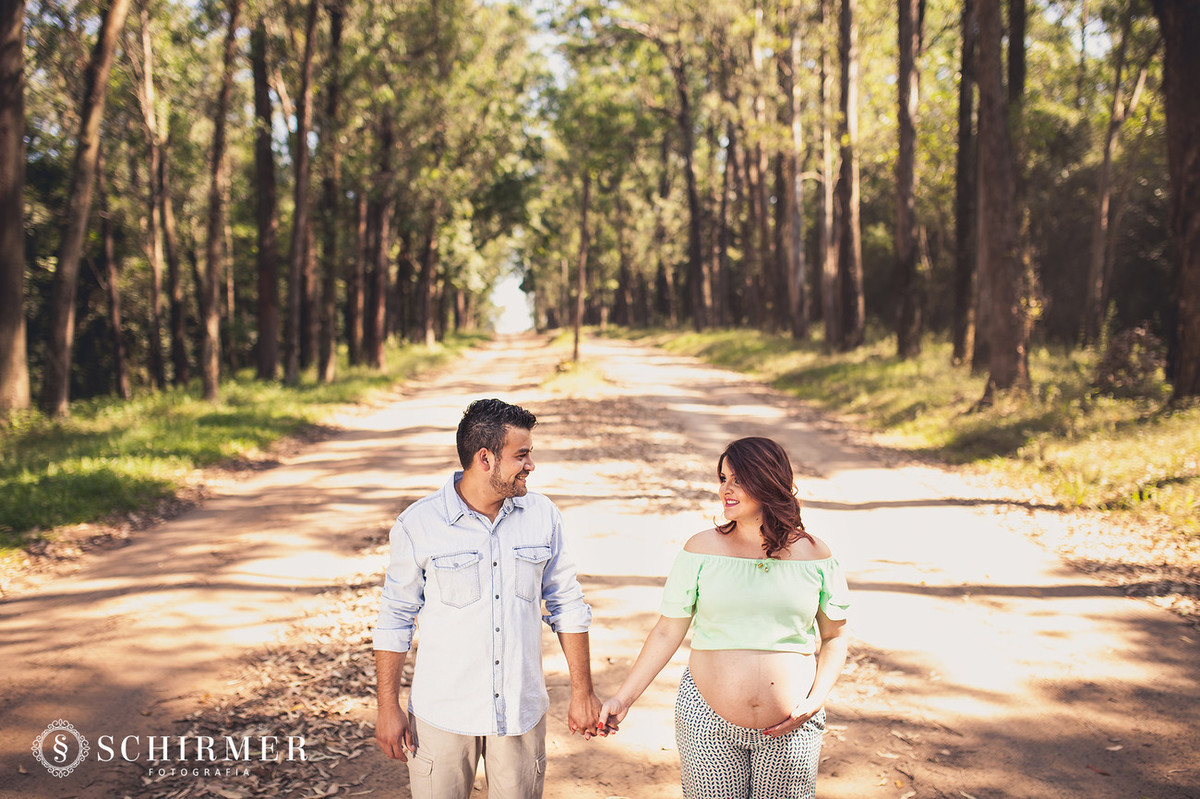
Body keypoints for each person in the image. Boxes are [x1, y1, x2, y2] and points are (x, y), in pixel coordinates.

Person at [373, 398, 605, 799]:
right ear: (485, 458)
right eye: (522, 455)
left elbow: (567, 603)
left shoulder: (542, 515)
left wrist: (583, 692)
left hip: (520, 712)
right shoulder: (418, 525)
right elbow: (395, 619)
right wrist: (387, 706)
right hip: (441, 715)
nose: (531, 464)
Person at [599, 436, 850, 799]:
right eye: (722, 478)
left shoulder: (814, 554)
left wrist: (815, 701)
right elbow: (667, 631)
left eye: (738, 478)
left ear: (768, 480)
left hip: (793, 725)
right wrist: (623, 699)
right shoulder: (700, 549)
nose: (725, 489)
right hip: (706, 722)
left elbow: (835, 638)